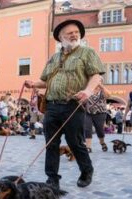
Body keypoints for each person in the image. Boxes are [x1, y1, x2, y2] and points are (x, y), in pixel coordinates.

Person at [24, 20, 104, 189]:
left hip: (73, 105)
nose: (74, 35)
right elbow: (45, 81)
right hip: (52, 106)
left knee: (75, 142)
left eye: (76, 32)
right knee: (51, 143)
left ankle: (86, 170)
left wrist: (88, 91)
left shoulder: (87, 52)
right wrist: (33, 84)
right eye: (70, 33)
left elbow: (96, 76)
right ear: (61, 37)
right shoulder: (54, 58)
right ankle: (52, 179)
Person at [84, 78, 111, 152]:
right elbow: (83, 98)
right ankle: (88, 147)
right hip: (88, 113)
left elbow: (109, 95)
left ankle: (102, 143)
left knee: (100, 130)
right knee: (87, 129)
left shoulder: (102, 91)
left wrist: (101, 86)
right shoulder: (89, 90)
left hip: (100, 113)